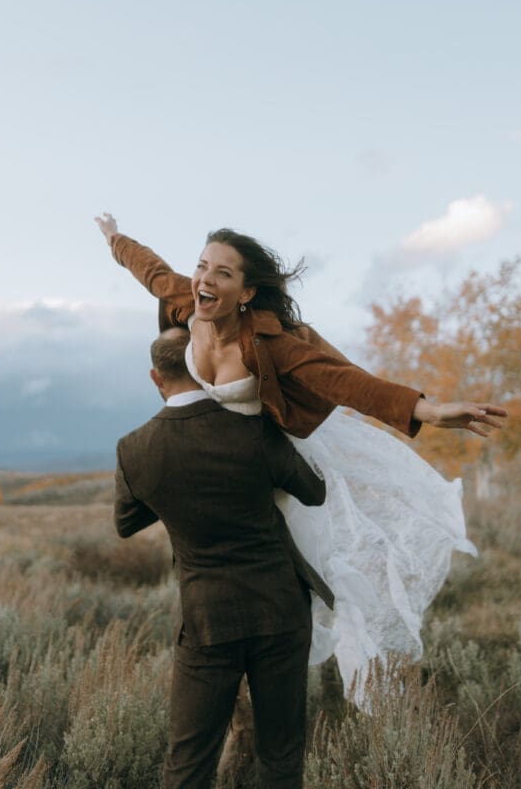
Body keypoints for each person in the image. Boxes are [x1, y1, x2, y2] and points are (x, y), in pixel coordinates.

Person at [98, 213, 506, 701]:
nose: (204, 278)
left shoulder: (269, 343)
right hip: (218, 460)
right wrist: (114, 238)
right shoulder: (189, 304)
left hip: (267, 459)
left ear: (246, 293)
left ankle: (297, 648)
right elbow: (151, 270)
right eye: (203, 266)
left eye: (222, 273)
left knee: (306, 564)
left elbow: (346, 381)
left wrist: (430, 410)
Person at [115, 326, 333, 789]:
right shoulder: (253, 430)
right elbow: (314, 491)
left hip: (208, 619)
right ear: (201, 363)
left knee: (189, 760)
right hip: (281, 608)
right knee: (280, 755)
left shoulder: (135, 448)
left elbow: (126, 522)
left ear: (156, 378)